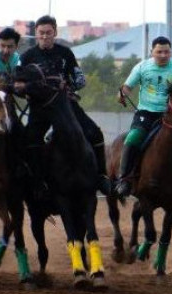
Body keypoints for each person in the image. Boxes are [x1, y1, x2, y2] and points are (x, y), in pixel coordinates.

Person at [18, 15, 110, 195]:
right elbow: (17, 84)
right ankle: (35, 182)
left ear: (55, 33)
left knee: (95, 132)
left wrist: (68, 86)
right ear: (36, 34)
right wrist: (30, 88)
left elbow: (80, 79)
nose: (45, 37)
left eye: (49, 33)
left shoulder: (65, 53)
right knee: (28, 140)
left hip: (66, 106)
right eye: (41, 33)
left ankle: (102, 176)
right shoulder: (27, 57)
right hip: (40, 108)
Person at [113, 35, 172, 201]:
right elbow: (127, 87)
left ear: (171, 52)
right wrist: (122, 94)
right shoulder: (142, 67)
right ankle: (124, 180)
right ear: (152, 52)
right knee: (132, 138)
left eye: (166, 52)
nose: (163, 55)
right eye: (159, 51)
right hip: (147, 113)